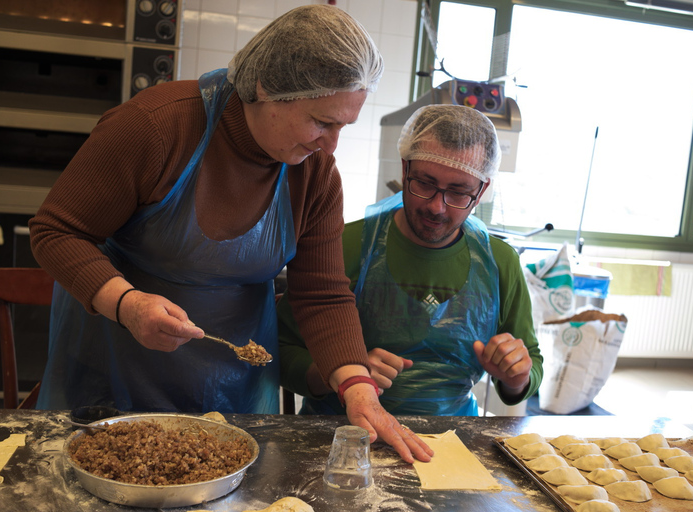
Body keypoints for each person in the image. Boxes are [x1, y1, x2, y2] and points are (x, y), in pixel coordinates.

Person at [29, 4, 431, 463]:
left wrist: (358, 388)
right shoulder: (157, 127)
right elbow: (57, 230)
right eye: (322, 121)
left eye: (342, 126)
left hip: (231, 386)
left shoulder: (314, 174)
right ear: (267, 88)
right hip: (115, 370)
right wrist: (127, 302)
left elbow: (322, 294)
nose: (331, 144)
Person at [278, 104, 543, 416]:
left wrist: (517, 375)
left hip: (454, 442)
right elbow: (278, 350)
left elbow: (531, 363)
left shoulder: (499, 262)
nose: (437, 207)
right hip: (343, 439)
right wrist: (341, 374)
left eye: (458, 193)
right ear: (404, 169)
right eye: (425, 184)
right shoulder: (341, 245)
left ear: (482, 189)